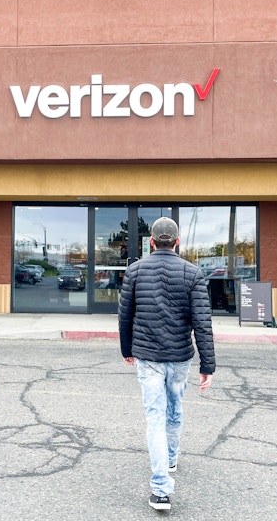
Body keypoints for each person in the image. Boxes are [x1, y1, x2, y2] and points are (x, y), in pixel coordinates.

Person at [118, 216, 215, 511]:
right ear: (177, 242)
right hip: (180, 356)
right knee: (174, 408)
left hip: (148, 357)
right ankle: (170, 459)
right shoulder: (192, 272)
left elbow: (124, 315)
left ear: (150, 241)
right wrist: (207, 365)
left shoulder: (134, 270)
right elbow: (202, 322)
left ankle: (161, 490)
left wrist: (126, 348)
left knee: (155, 417)